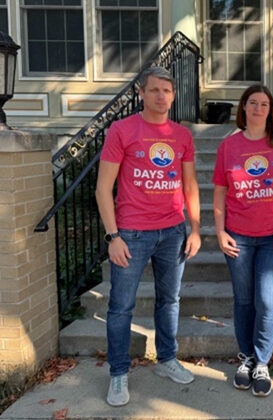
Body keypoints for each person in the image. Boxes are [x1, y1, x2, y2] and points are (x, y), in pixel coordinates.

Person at [96, 66, 201, 407]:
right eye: (154, 90)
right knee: (121, 306)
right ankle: (118, 373)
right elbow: (102, 189)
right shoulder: (122, 130)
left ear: (173, 95)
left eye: (167, 91)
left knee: (169, 301)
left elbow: (189, 185)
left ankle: (167, 359)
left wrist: (196, 229)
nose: (161, 96)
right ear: (141, 93)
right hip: (132, 233)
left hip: (173, 231)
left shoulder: (181, 135)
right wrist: (113, 236)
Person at [212, 85, 273, 397]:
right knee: (244, 300)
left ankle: (262, 360)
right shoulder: (229, 146)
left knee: (270, 300)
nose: (259, 108)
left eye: (264, 103)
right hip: (238, 236)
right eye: (253, 103)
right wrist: (220, 231)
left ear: (270, 109)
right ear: (244, 107)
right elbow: (220, 192)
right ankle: (247, 358)